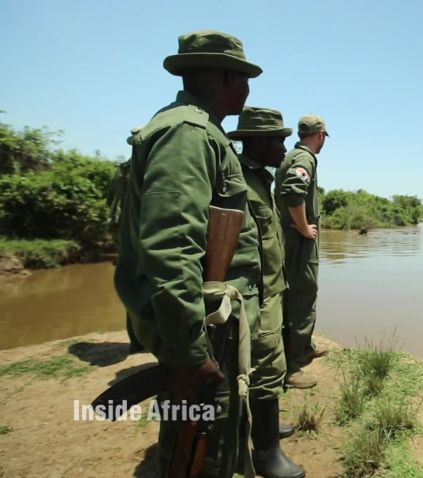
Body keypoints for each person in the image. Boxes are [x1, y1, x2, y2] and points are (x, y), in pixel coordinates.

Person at [114, 30, 263, 477]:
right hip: (203, 327)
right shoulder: (188, 134)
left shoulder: (203, 131)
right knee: (198, 445)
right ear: (225, 77)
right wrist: (190, 351)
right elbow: (172, 247)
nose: (248, 88)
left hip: (211, 321)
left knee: (209, 435)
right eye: (244, 78)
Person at [228, 107, 305, 478]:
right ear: (257, 142)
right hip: (257, 295)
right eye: (278, 139)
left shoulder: (260, 178)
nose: (284, 146)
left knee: (270, 366)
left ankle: (266, 430)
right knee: (265, 367)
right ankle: (266, 455)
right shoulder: (238, 181)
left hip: (273, 289)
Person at [275, 115, 329, 388]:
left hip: (290, 237)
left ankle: (304, 347)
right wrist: (304, 227)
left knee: (296, 293)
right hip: (298, 240)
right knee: (302, 295)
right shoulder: (305, 158)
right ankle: (292, 366)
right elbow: (293, 193)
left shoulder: (293, 155)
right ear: (320, 135)